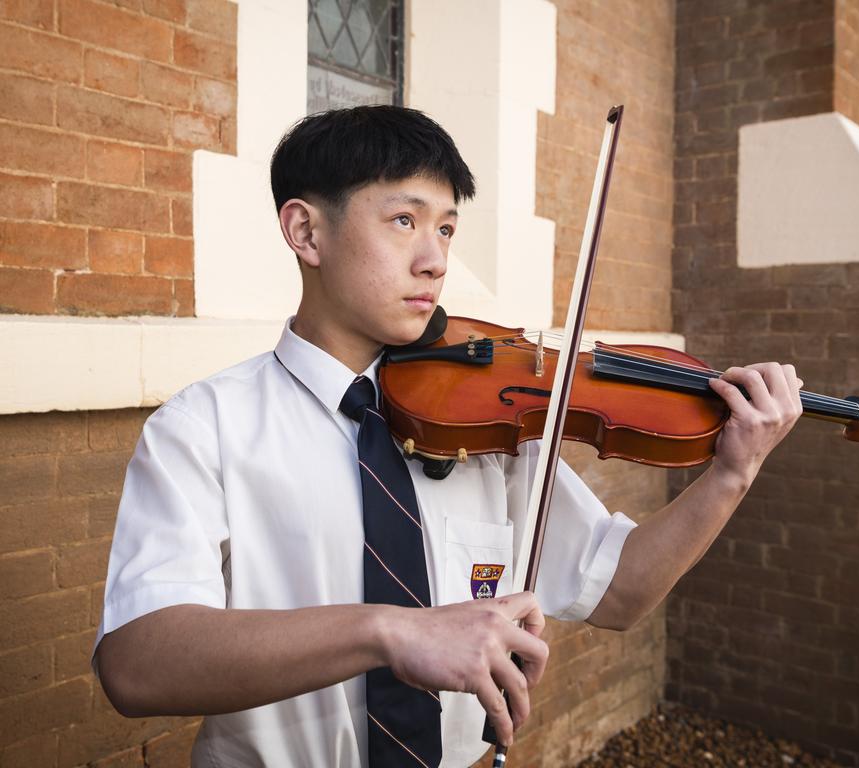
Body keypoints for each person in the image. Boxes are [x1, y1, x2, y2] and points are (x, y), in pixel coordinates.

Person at [93, 105, 803, 768]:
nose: (435, 260)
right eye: (404, 220)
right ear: (307, 232)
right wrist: (392, 630)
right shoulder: (202, 428)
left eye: (446, 230)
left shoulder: (488, 420)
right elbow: (137, 664)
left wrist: (730, 476)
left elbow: (620, 592)